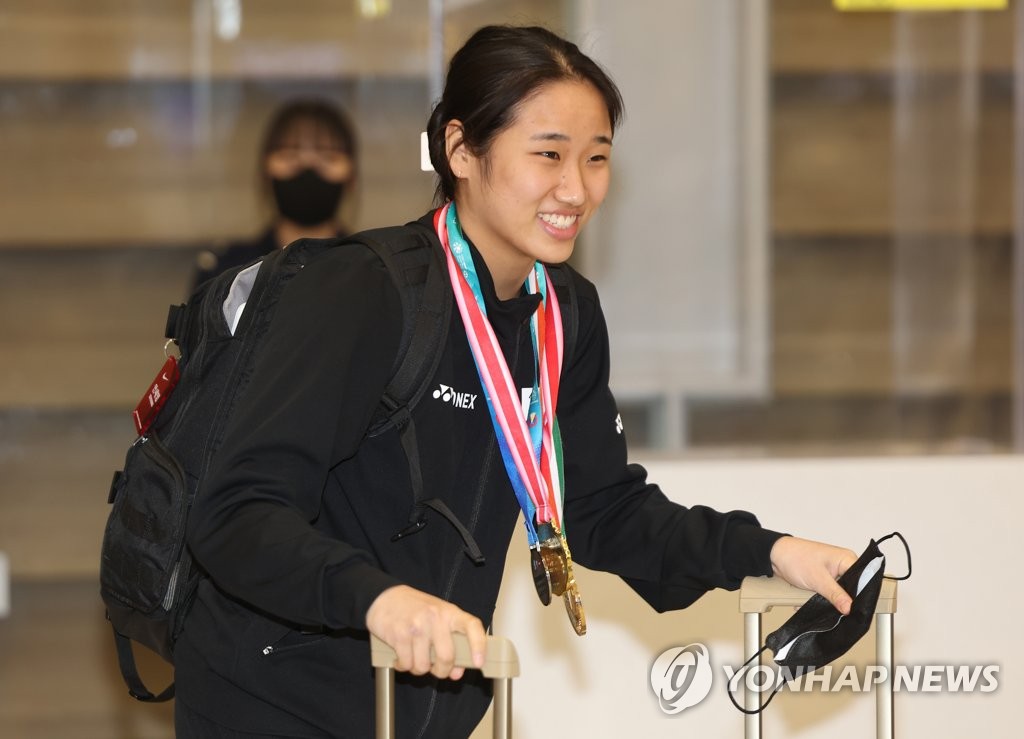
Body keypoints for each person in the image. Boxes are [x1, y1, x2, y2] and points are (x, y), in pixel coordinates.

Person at [174, 25, 857, 738]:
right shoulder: (362, 291)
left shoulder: (565, 315)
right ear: (462, 150)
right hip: (270, 704)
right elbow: (235, 512)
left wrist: (774, 551)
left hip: (424, 712)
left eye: (596, 158)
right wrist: (380, 601)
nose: (577, 188)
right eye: (549, 155)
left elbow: (603, 513)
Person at [190, 98, 358, 291]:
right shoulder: (226, 271)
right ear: (265, 171)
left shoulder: (373, 271)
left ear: (352, 176)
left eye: (328, 157)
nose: (307, 166)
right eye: (290, 155)